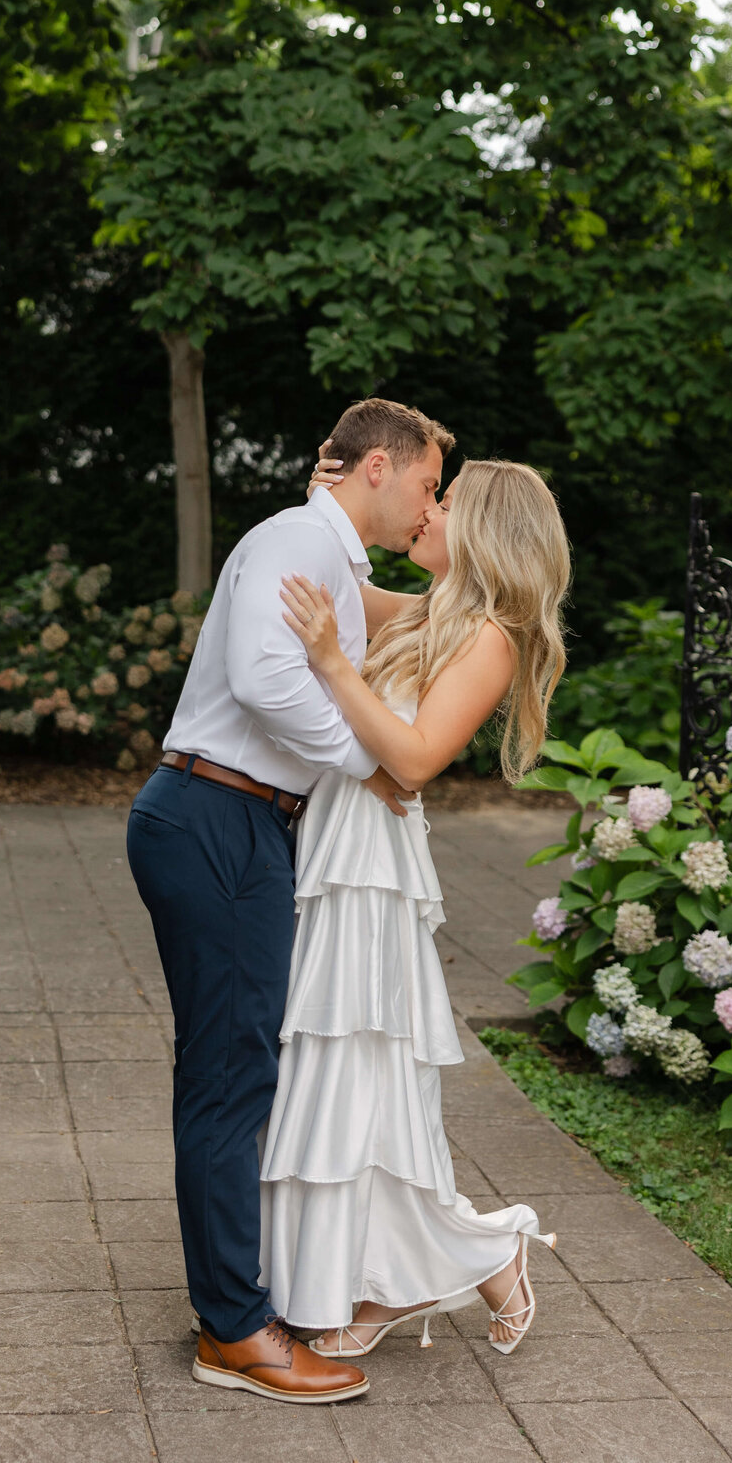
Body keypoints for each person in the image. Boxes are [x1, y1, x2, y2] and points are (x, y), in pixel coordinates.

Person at [125, 398, 454, 1403]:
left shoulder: (337, 562)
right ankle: (233, 1333)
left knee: (237, 1069)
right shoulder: (295, 541)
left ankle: (236, 1309)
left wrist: (467, 571)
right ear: (378, 468)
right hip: (217, 815)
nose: (428, 507)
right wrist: (376, 765)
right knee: (229, 1079)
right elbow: (269, 677)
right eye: (429, 487)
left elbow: (442, 617)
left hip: (242, 821)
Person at [259, 451, 571, 1357]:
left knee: (360, 1069)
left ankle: (428, 1266)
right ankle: (426, 1268)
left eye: (444, 500)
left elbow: (417, 757)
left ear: (485, 530)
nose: (425, 510)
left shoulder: (490, 639)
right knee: (347, 1074)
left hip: (373, 871)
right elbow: (329, 582)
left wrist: (332, 666)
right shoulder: (431, 614)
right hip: (337, 847)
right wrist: (330, 499)